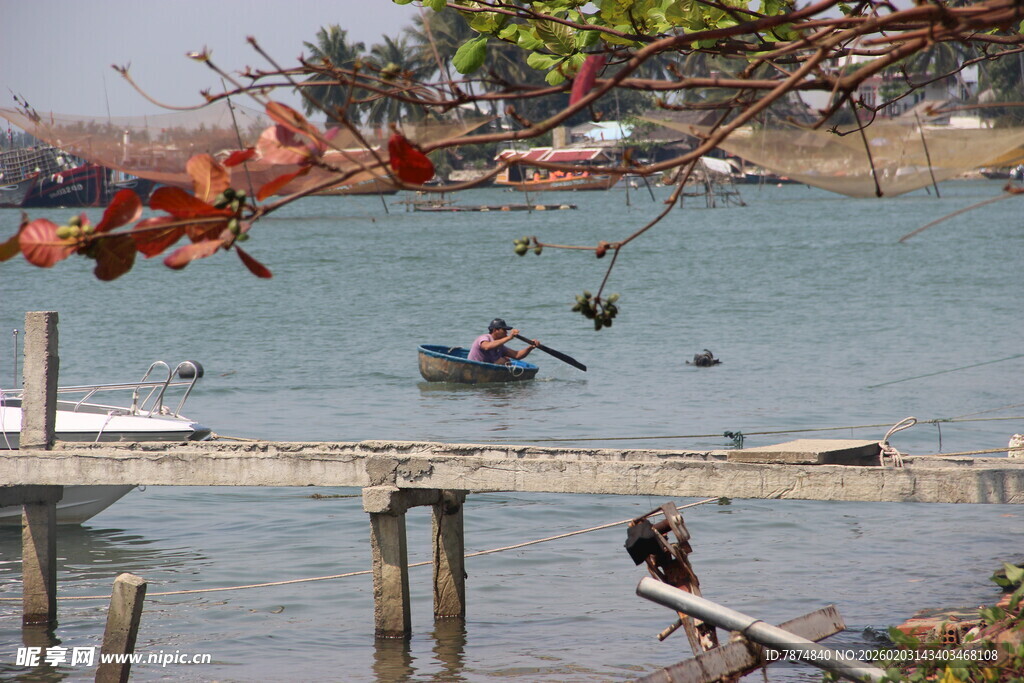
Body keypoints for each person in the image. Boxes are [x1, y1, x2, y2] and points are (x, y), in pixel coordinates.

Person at [468, 318, 539, 365]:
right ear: (495, 330)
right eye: (504, 330)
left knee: (506, 361)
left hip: (486, 371)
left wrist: (530, 347)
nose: (506, 332)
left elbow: (517, 355)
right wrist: (510, 337)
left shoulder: (500, 346)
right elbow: (487, 346)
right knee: (503, 361)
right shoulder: (484, 337)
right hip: (474, 367)